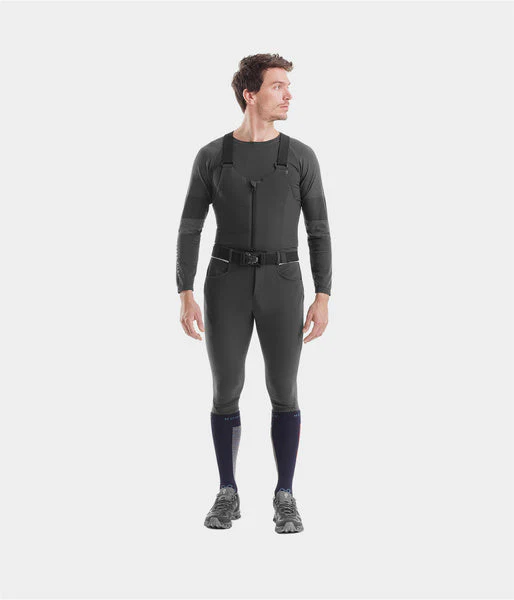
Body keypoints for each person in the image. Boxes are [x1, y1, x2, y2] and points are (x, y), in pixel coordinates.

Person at [176, 53, 332, 534]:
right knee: (226, 389)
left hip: (283, 284)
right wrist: (185, 291)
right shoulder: (212, 156)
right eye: (278, 86)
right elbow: (189, 228)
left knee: (284, 389)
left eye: (288, 86)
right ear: (250, 94)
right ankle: (228, 491)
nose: (288, 94)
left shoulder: (300, 157)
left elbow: (319, 231)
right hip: (225, 283)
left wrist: (323, 294)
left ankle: (285, 494)